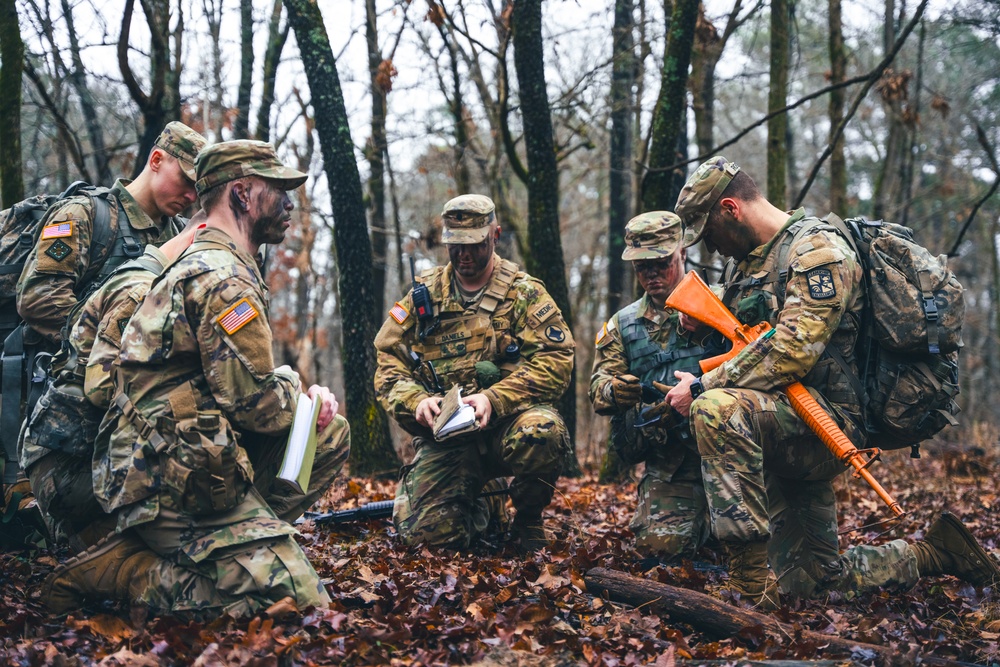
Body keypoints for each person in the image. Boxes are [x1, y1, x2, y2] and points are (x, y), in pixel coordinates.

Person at [666, 156, 999, 607]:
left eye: (710, 234)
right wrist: (701, 326)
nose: (713, 249)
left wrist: (705, 386)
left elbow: (791, 349)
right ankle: (933, 553)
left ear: (731, 208)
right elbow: (753, 332)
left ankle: (749, 594)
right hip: (779, 420)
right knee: (815, 584)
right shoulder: (749, 266)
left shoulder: (818, 250)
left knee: (715, 408)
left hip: (825, 423)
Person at [43, 141, 350, 618]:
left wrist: (298, 397)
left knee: (326, 432)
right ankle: (129, 572)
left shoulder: (213, 264)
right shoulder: (223, 278)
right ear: (243, 195)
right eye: (279, 190)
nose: (290, 203)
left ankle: (245, 543)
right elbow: (257, 405)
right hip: (170, 478)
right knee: (293, 596)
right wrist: (295, 388)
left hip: (186, 461)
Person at [374, 194, 574, 551]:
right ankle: (482, 505)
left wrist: (494, 399)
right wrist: (416, 400)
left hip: (505, 429)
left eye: (474, 245)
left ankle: (527, 518)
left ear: (494, 236)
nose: (464, 255)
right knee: (427, 541)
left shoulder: (524, 292)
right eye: (455, 246)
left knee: (543, 431)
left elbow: (557, 361)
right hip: (446, 439)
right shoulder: (425, 295)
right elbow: (388, 360)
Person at [19, 217, 206, 552]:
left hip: (82, 456)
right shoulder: (144, 290)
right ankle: (95, 549)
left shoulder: (160, 285)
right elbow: (103, 387)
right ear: (200, 239)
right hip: (68, 467)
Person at [16, 121, 206, 347]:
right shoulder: (83, 215)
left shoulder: (182, 234)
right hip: (70, 374)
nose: (191, 197)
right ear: (156, 160)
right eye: (186, 180)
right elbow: (40, 298)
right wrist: (119, 342)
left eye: (197, 188)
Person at [589, 212, 712, 560]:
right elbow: (598, 386)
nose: (652, 274)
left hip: (728, 448)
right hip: (671, 461)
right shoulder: (624, 325)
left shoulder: (718, 303)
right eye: (642, 267)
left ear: (683, 254)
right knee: (660, 550)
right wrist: (615, 390)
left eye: (661, 263)